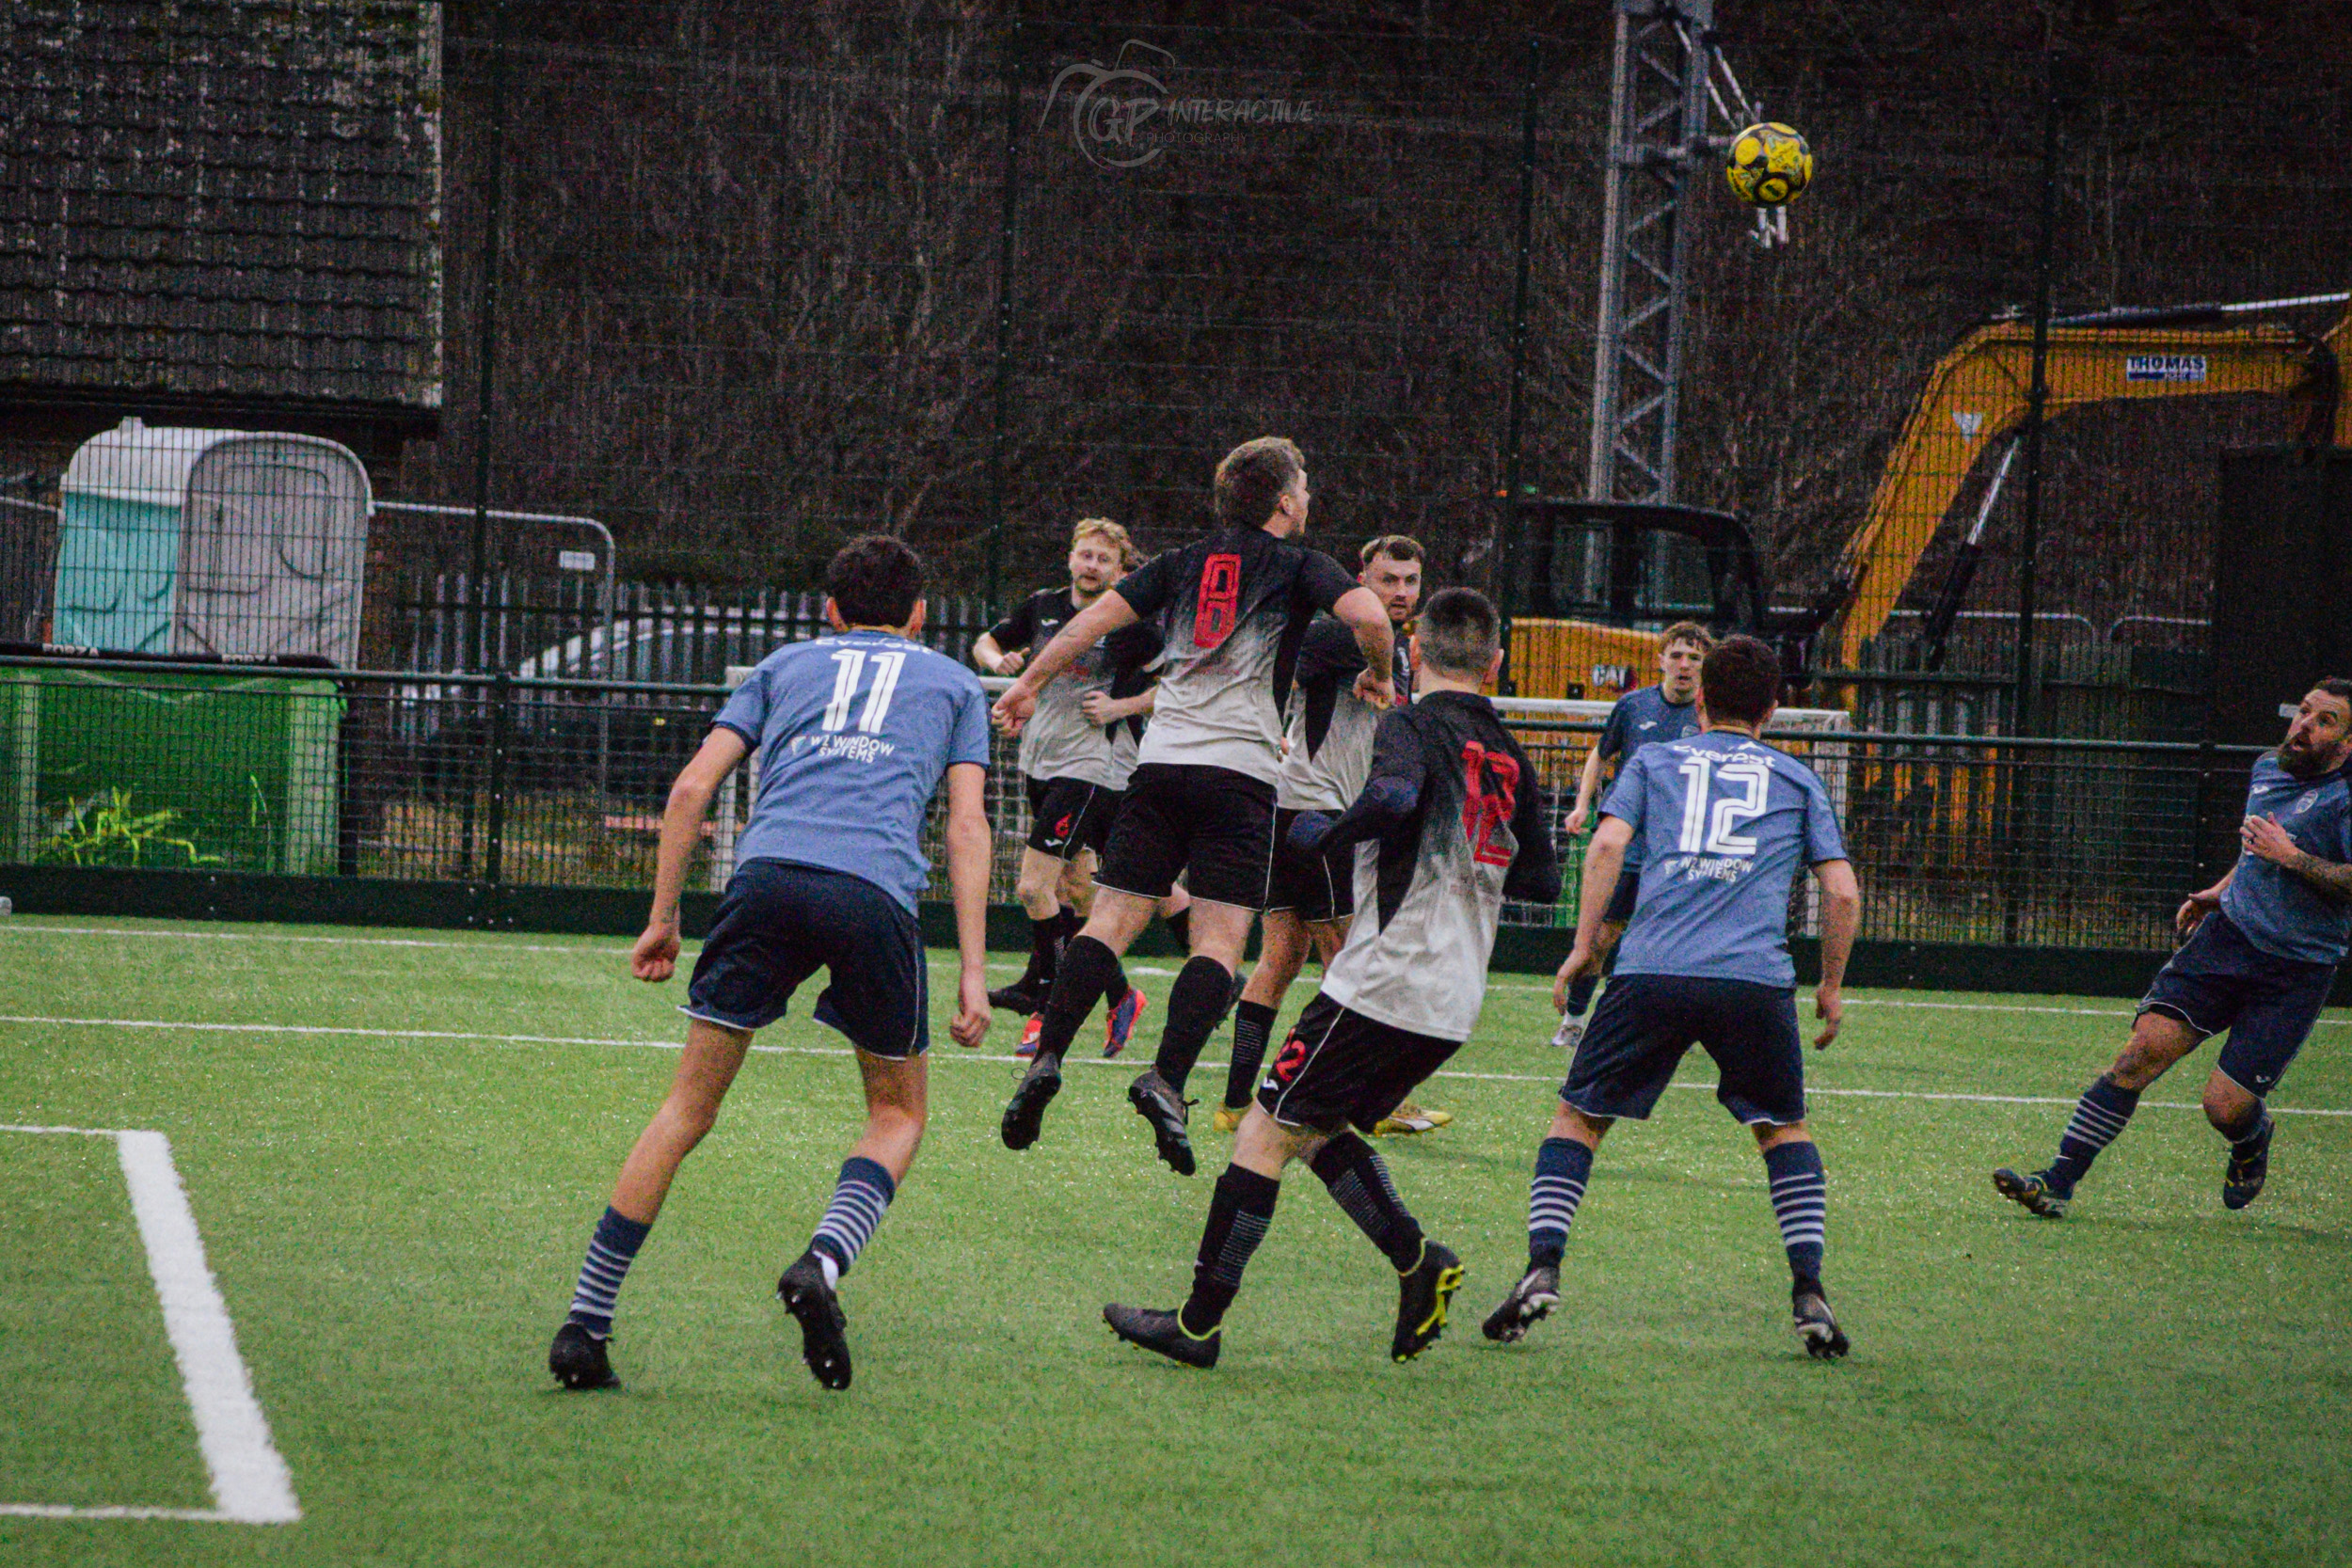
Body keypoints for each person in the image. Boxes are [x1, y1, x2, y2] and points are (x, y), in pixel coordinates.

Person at [548, 535, 993, 1395]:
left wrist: (663, 917)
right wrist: (973, 971)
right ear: (920, 615)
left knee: (685, 1108)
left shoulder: (784, 665)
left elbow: (690, 789)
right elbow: (966, 826)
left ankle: (584, 1324)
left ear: (828, 610)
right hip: (872, 894)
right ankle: (822, 1262)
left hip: (765, 880)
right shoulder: (955, 683)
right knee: (897, 1112)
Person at [1103, 589, 1561, 1368]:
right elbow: (1543, 881)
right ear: (1496, 663)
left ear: (1417, 653)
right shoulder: (1511, 753)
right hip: (1454, 997)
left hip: (1385, 979)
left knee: (1263, 1131)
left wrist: (1330, 835)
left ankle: (1198, 1324)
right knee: (1313, 1128)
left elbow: (1392, 795)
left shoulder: (1410, 723)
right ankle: (1419, 1263)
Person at [991, 436, 1395, 1175]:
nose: (1309, 498)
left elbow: (1086, 626)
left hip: (1160, 764)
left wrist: (1027, 683)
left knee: (1109, 920)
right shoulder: (1300, 564)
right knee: (1218, 941)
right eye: (1305, 486)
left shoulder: (1180, 562)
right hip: (1240, 775)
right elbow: (1371, 617)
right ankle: (1166, 1080)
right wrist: (1380, 674)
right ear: (1284, 502)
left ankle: (1047, 1055)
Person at [1484, 634, 1862, 1360]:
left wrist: (1583, 947)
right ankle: (1809, 1288)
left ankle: (1542, 1265)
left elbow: (1604, 846)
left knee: (1579, 1117)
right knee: (1782, 1129)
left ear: (1702, 704)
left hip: (1651, 970)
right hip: (1753, 980)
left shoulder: (1656, 761)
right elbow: (1841, 891)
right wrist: (1831, 983)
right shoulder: (1796, 778)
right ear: (1773, 710)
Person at [1994, 681, 2352, 1219]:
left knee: (2224, 1107)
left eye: (2326, 721)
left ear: (2348, 742)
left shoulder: (2345, 798)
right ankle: (2056, 1182)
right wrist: (2222, 891)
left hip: (2295, 971)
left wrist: (2292, 858)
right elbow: (2256, 851)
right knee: (2138, 1055)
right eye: (2304, 712)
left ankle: (2252, 1137)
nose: (2304, 726)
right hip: (2227, 941)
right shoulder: (2268, 768)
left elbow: (2301, 859)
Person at [1216, 534, 1436, 1136]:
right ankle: (1364, 1100)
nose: (1400, 592)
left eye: (1410, 581)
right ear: (1362, 580)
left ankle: (1234, 1103)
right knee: (1350, 960)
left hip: (1296, 813)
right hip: (1317, 816)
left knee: (1281, 959)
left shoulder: (1391, 649)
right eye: (1387, 579)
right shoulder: (1343, 636)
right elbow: (1275, 665)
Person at [971, 517, 1166, 1058]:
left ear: (1120, 571)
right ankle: (1121, 996)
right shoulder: (1043, 606)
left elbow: (1174, 683)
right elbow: (986, 642)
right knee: (1077, 891)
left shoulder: (1129, 625)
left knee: (1033, 888)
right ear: (1071, 557)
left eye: (1104, 560)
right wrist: (1000, 662)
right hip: (1040, 759)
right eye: (1086, 555)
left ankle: (1047, 1003)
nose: (1092, 566)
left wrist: (1122, 706)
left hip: (1090, 768)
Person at [1554, 623, 1712, 1048]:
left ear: (1704, 666)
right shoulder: (1632, 705)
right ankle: (1573, 1020)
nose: (1684, 665)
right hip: (1628, 845)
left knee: (1677, 943)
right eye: (1676, 656)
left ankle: (1671, 1029)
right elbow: (1600, 754)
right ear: (1661, 660)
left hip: (1680, 849)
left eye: (1694, 658)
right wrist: (1582, 804)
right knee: (1600, 939)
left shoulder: (1710, 715)